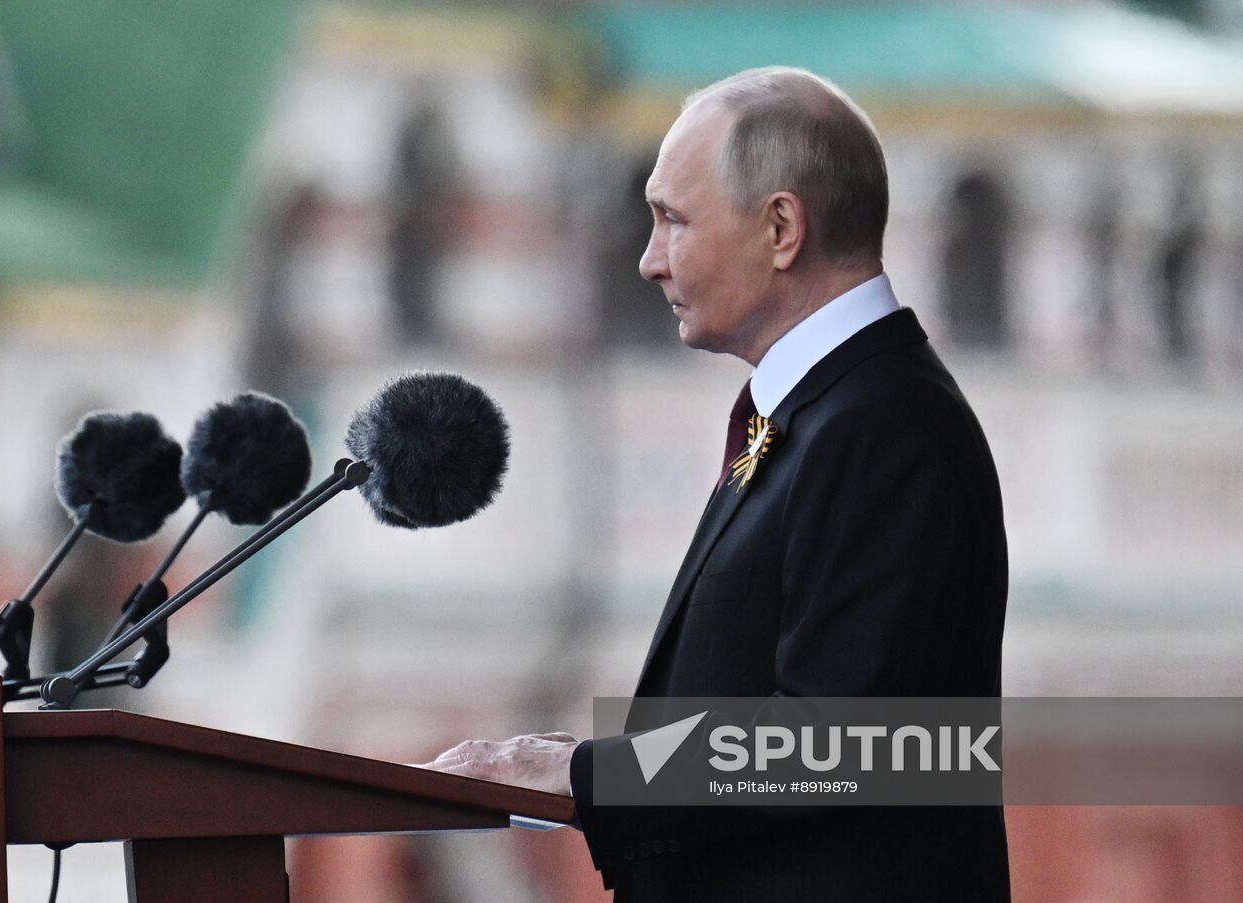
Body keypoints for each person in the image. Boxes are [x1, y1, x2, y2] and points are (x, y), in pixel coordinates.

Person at [416, 67, 1011, 902]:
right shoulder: (819, 411)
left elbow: (834, 745)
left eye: (673, 220)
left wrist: (586, 774)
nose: (648, 260)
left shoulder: (883, 426)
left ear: (780, 227)